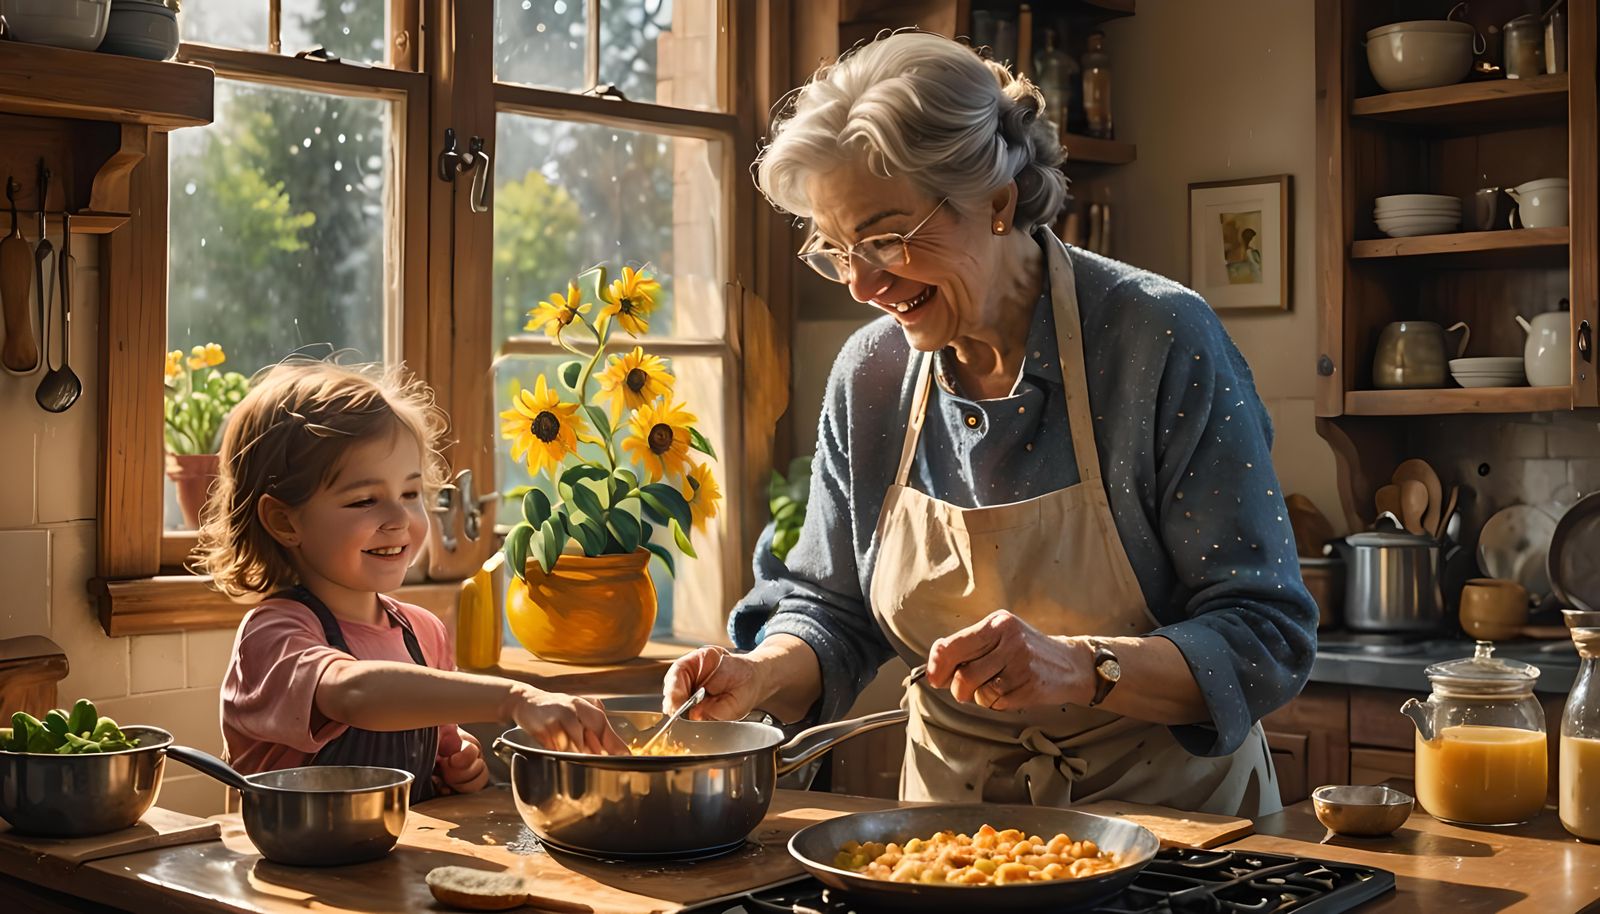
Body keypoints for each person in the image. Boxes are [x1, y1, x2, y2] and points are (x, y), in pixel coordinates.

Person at [665, 31, 1316, 817]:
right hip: (952, 836)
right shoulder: (869, 376)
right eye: (835, 250)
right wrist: (764, 672)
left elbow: (1265, 633)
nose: (862, 285)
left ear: (998, 202)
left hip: (1174, 831)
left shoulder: (1158, 342)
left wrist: (1085, 669)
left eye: (885, 239)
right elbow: (830, 609)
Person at [201, 361, 626, 803]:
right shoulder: (273, 635)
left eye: (410, 493)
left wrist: (459, 766)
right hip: (288, 866)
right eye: (365, 500)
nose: (400, 518)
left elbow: (440, 747)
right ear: (283, 520)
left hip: (389, 864)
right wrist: (514, 698)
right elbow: (353, 693)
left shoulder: (424, 633)